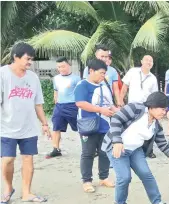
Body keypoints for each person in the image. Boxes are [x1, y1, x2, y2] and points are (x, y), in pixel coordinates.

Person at [101, 92, 169, 204]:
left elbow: (163, 145)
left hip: (135, 150)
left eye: (165, 110)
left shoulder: (156, 126)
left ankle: (157, 201)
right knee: (125, 177)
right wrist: (117, 141)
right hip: (117, 148)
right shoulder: (136, 108)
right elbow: (116, 119)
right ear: (152, 106)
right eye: (162, 109)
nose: (164, 112)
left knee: (146, 174)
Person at [1, 42, 51, 204]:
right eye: (27, 59)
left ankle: (26, 192)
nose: (30, 62)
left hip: (28, 128)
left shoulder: (33, 78)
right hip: (6, 127)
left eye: (31, 59)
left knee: (28, 158)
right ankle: (8, 187)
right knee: (8, 159)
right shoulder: (3, 75)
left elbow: (38, 104)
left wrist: (44, 124)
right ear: (16, 57)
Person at [74, 59, 117, 193]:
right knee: (88, 153)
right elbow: (80, 103)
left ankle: (103, 177)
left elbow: (109, 104)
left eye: (104, 74)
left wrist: (118, 111)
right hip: (88, 124)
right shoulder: (82, 85)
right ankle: (87, 181)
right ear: (91, 71)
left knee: (104, 151)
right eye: (101, 73)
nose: (103, 76)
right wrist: (100, 110)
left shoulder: (103, 86)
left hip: (104, 124)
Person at [120, 55, 159, 158]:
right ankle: (128, 149)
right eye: (146, 60)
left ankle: (148, 151)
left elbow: (154, 96)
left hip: (146, 107)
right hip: (132, 106)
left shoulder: (153, 78)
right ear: (141, 61)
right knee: (130, 127)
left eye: (151, 61)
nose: (149, 62)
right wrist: (120, 101)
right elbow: (124, 87)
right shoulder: (133, 72)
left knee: (148, 128)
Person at [46, 57, 81, 158]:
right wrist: (56, 100)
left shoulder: (76, 78)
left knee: (80, 128)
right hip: (59, 106)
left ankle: (87, 148)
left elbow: (79, 93)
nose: (61, 69)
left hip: (72, 106)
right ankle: (56, 149)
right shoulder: (56, 78)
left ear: (69, 65)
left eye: (63, 66)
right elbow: (55, 91)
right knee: (56, 127)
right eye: (59, 67)